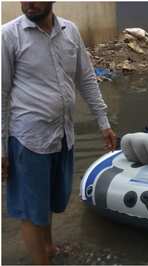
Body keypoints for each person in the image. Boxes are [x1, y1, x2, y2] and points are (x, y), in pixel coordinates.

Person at [2, 2, 117, 264]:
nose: (28, 3)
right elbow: (1, 93)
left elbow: (86, 78)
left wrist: (103, 122)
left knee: (50, 198)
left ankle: (49, 247)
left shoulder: (70, 31)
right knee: (32, 211)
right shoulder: (9, 35)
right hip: (28, 139)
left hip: (63, 134)